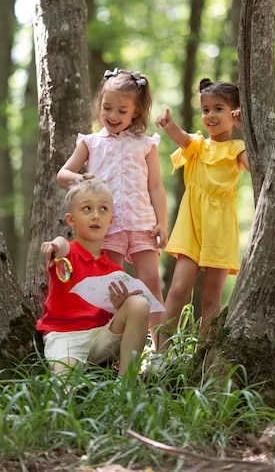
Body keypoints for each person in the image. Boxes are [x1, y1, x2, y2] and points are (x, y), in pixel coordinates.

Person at [56, 67, 167, 347]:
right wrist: (82, 178)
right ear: (99, 106)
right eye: (107, 108)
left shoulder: (146, 145)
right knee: (112, 286)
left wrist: (162, 223)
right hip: (108, 227)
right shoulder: (91, 143)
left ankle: (162, 349)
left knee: (152, 282)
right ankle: (114, 346)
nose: (113, 116)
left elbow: (156, 186)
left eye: (122, 110)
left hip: (142, 222)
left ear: (136, 113)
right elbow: (63, 174)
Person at [155, 77, 249, 352]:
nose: (210, 115)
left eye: (218, 109)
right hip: (192, 225)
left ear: (234, 114)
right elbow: (181, 138)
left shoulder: (237, 149)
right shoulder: (197, 145)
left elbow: (258, 167)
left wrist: (246, 129)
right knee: (178, 290)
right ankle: (160, 354)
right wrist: (168, 124)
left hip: (220, 228)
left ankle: (203, 356)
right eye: (205, 109)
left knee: (210, 298)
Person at [37, 178, 150, 377]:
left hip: (101, 338)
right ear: (71, 220)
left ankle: (126, 385)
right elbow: (60, 244)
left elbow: (120, 316)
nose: (96, 216)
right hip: (66, 338)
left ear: (111, 221)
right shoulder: (67, 253)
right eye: (87, 209)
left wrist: (120, 306)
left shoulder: (115, 272)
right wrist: (53, 246)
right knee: (65, 388)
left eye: (103, 209)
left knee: (139, 304)